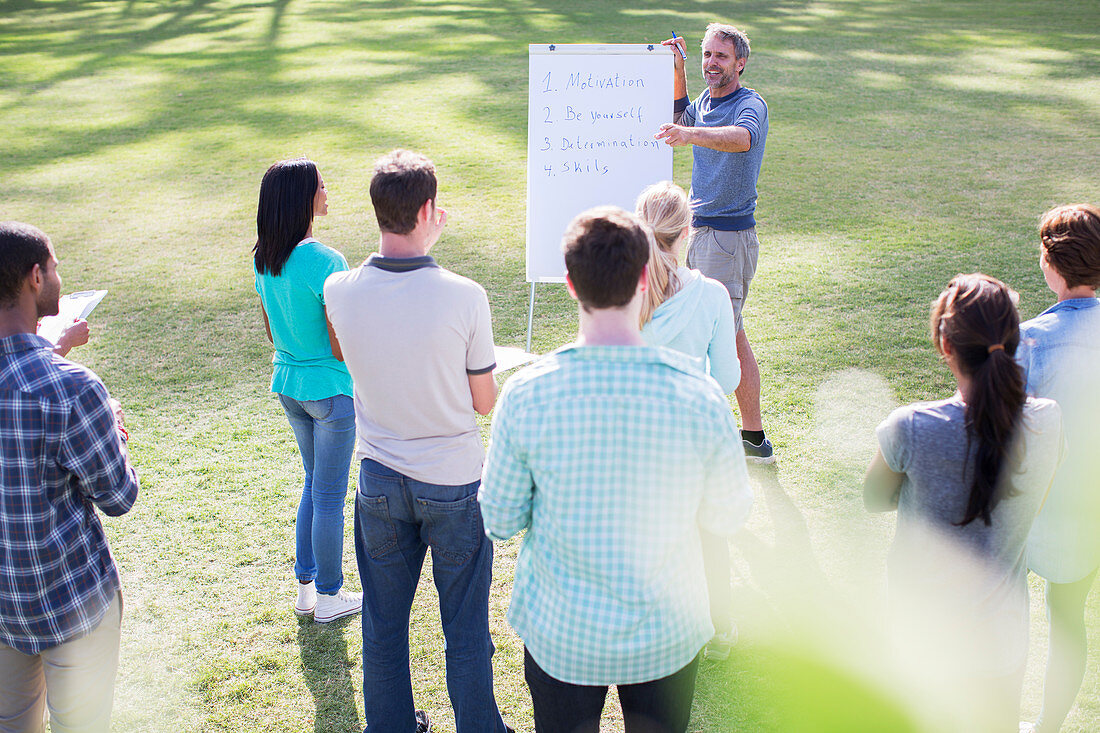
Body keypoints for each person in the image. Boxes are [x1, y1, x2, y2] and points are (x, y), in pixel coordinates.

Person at [480, 206, 754, 733]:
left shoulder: (527, 395)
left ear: (569, 283)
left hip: (562, 632)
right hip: (666, 633)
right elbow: (727, 517)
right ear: (647, 276)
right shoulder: (699, 397)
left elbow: (499, 519)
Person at [324, 149, 509, 733]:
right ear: (428, 208)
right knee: (465, 627)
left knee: (383, 623)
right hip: (453, 479)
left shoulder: (339, 287)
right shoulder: (464, 294)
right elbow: (484, 402)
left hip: (378, 474)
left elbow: (343, 354)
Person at [864, 274, 1063, 730]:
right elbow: (1038, 496)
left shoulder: (910, 425)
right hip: (1002, 638)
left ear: (944, 345)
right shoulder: (1048, 422)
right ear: (1013, 340)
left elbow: (874, 499)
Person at [0, 221, 139, 732]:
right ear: (35, 277)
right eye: (55, 267)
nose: (59, 278)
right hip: (74, 603)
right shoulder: (73, 390)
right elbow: (120, 496)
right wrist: (116, 432)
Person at [656, 23, 773, 463]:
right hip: (701, 232)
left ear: (740, 63)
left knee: (723, 334)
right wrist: (679, 70)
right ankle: (750, 438)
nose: (712, 63)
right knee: (725, 331)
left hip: (727, 237)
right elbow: (684, 117)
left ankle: (747, 438)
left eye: (720, 57)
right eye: (706, 54)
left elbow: (743, 139)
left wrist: (689, 136)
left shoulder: (750, 104)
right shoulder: (706, 100)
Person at [635, 180, 742, 661]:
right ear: (687, 234)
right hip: (696, 437)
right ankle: (719, 626)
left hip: (636, 435)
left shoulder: (621, 292)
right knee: (708, 532)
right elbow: (726, 376)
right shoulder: (712, 293)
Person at [253, 158, 362, 624]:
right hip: (330, 393)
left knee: (314, 485)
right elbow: (342, 341)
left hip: (289, 385)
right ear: (304, 198)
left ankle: (307, 590)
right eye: (321, 185)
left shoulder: (263, 255)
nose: (327, 190)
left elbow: (271, 330)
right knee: (330, 495)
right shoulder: (325, 259)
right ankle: (332, 596)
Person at [1016, 204, 1100, 733]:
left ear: (1051, 263)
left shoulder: (1029, 340)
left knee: (1010, 614)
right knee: (1069, 618)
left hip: (1040, 506)